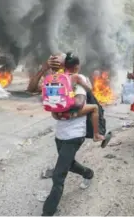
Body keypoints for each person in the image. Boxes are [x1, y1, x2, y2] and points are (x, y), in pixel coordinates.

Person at [42, 55, 95, 216]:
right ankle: (88, 173)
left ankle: (48, 211)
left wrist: (61, 110)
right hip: (60, 134)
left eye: (64, 65)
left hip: (74, 135)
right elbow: (44, 96)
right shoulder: (59, 79)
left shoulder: (79, 81)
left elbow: (79, 103)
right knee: (69, 164)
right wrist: (54, 108)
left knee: (59, 175)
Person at [48, 52, 105, 142]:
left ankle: (61, 114)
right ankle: (96, 135)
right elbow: (89, 89)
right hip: (69, 109)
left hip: (57, 109)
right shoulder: (76, 77)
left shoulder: (57, 76)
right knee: (95, 108)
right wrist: (84, 83)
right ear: (76, 67)